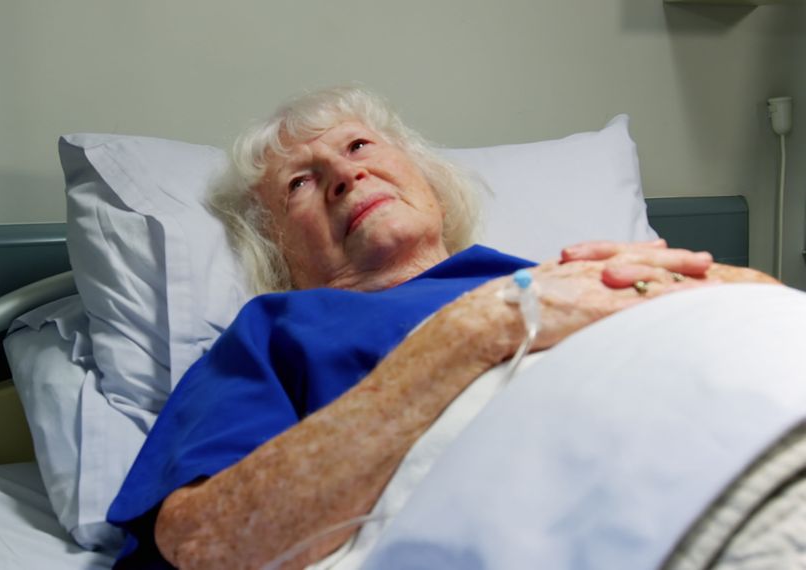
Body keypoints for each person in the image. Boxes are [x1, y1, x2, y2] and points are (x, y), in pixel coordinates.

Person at [106, 86, 775, 569]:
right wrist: (478, 331)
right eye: (301, 184)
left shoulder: (555, 274)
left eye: (360, 145)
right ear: (278, 248)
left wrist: (724, 285)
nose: (346, 173)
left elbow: (769, 327)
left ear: (425, 177)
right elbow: (204, 545)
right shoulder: (276, 329)